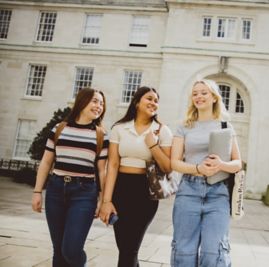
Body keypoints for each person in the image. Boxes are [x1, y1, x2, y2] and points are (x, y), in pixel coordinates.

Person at [31, 87, 109, 267]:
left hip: (84, 194)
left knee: (71, 249)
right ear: (82, 102)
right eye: (95, 101)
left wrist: (103, 199)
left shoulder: (101, 135)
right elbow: (45, 162)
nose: (99, 106)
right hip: (55, 191)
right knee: (58, 250)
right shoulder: (59, 129)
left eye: (102, 103)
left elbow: (102, 170)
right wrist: (37, 192)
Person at [170, 79, 242, 267]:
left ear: (214, 98)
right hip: (188, 190)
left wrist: (221, 165)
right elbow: (174, 162)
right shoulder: (184, 126)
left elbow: (238, 164)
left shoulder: (225, 126)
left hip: (218, 193)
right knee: (184, 251)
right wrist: (197, 169)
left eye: (204, 93)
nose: (199, 97)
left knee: (214, 251)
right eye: (195, 94)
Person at [99, 86, 173, 267]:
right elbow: (113, 165)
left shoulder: (162, 130)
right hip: (120, 189)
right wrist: (106, 201)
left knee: (130, 248)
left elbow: (167, 167)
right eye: (149, 98)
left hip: (145, 192)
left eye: (156, 100)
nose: (153, 103)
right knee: (124, 247)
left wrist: (153, 145)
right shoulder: (120, 128)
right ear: (136, 102)